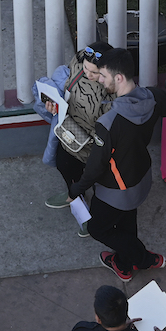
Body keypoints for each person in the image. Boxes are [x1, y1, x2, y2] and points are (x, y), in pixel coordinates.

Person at [68, 48, 166, 282]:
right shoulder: (152, 98)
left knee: (97, 229)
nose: (100, 81)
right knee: (126, 222)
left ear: (119, 78)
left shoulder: (109, 123)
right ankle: (124, 263)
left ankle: (144, 259)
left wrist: (76, 189)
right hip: (141, 177)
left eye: (103, 76)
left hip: (116, 188)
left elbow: (95, 166)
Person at [37, 41, 114, 239]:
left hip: (96, 148)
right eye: (85, 68)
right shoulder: (76, 66)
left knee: (100, 185)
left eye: (95, 72)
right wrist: (51, 103)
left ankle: (93, 217)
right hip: (68, 137)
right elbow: (61, 88)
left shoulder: (112, 90)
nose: (88, 74)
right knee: (66, 168)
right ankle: (76, 199)